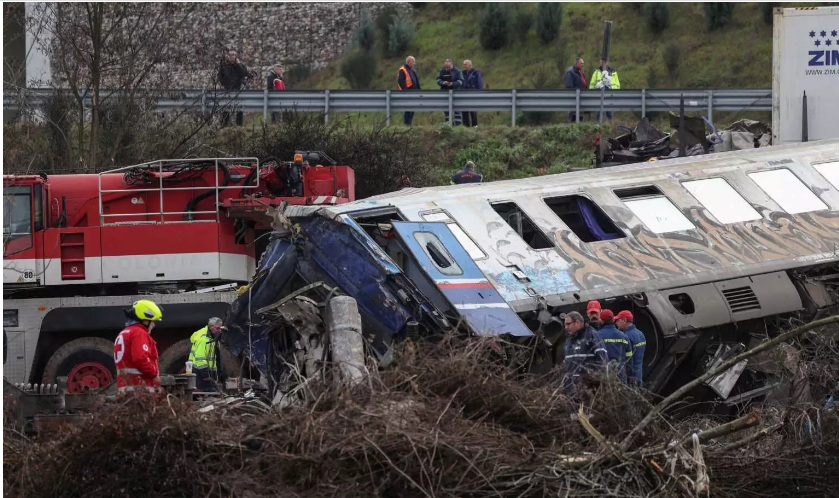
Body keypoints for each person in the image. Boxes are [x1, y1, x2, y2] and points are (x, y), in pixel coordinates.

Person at [113, 299, 163, 395]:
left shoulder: (125, 332)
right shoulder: (139, 333)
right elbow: (140, 358)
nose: (154, 324)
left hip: (126, 388)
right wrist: (154, 375)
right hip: (140, 389)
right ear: (145, 320)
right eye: (152, 321)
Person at [561, 311, 607, 395]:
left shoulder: (591, 335)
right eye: (565, 324)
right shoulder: (569, 341)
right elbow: (567, 366)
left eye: (568, 324)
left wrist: (596, 382)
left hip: (588, 390)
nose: (566, 327)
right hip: (571, 390)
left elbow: (603, 360)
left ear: (577, 323)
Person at [189, 317, 226, 392]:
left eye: (220, 328)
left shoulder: (213, 339)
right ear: (211, 327)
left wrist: (220, 373)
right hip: (200, 373)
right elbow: (200, 358)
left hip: (209, 373)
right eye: (217, 328)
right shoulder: (203, 339)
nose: (219, 331)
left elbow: (216, 358)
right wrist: (205, 375)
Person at [597, 309, 632, 383]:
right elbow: (629, 358)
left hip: (604, 377)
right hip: (621, 376)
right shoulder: (624, 337)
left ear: (601, 321)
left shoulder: (597, 336)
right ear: (613, 320)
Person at [217, 50, 250, 126]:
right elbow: (220, 76)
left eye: (233, 55)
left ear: (236, 56)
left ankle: (239, 126)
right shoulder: (224, 66)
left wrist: (238, 65)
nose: (232, 56)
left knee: (239, 108)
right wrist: (225, 83)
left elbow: (243, 74)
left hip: (238, 90)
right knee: (226, 108)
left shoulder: (240, 65)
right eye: (230, 55)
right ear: (228, 56)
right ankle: (224, 125)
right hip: (227, 89)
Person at [616, 310, 646, 387]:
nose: (616, 323)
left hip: (630, 376)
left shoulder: (626, 336)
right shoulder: (640, 334)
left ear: (624, 320)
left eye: (618, 320)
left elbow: (626, 359)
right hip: (639, 373)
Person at [436, 59, 463, 125]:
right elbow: (437, 79)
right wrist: (442, 82)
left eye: (448, 67)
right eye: (446, 67)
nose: (447, 68)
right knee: (446, 110)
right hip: (445, 93)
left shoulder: (457, 71)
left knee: (457, 110)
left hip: (455, 93)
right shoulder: (442, 71)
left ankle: (458, 126)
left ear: (451, 64)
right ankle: (448, 125)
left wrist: (453, 84)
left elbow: (461, 81)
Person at [397, 55, 421, 126]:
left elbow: (416, 81)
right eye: (413, 62)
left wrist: (419, 91)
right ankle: (407, 124)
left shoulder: (412, 70)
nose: (414, 63)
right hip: (407, 93)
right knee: (408, 109)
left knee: (412, 109)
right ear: (409, 61)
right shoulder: (402, 70)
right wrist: (405, 91)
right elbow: (401, 81)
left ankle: (409, 124)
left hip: (414, 93)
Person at [461, 59, 484, 127]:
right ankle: (466, 126)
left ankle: (475, 125)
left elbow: (479, 83)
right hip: (463, 94)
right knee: (464, 110)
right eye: (463, 64)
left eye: (465, 64)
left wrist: (478, 93)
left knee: (473, 109)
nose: (464, 65)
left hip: (472, 93)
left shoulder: (475, 73)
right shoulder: (462, 73)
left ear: (470, 65)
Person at [564, 56, 587, 122]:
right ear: (576, 63)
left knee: (580, 114)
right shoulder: (570, 72)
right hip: (573, 97)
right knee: (573, 114)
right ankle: (572, 127)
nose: (582, 65)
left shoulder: (581, 72)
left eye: (583, 63)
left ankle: (579, 126)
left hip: (581, 96)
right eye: (581, 63)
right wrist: (576, 93)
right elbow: (569, 86)